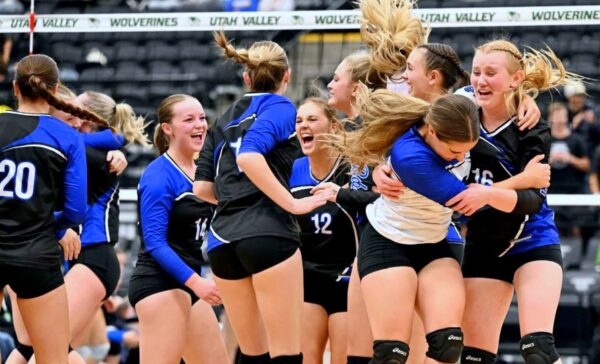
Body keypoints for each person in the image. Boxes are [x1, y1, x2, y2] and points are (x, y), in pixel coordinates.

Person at [335, 90, 522, 364]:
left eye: (467, 151)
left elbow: (491, 89)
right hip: (389, 241)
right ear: (432, 132)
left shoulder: (458, 111)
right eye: (455, 151)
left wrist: (524, 101)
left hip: (434, 243)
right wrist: (526, 179)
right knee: (392, 354)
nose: (461, 159)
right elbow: (468, 201)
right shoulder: (410, 155)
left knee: (447, 345)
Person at [194, 32, 327, 364]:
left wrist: (236, 199)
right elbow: (249, 157)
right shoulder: (281, 107)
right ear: (287, 76)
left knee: (252, 353)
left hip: (223, 241)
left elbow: (202, 189)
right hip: (268, 233)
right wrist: (293, 204)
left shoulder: (223, 118)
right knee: (286, 352)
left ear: (246, 77)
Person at [450, 40, 577, 364]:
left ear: (516, 78)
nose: (480, 80)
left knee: (537, 350)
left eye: (491, 73)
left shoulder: (531, 126)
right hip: (483, 245)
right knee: (474, 356)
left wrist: (487, 193)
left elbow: (532, 200)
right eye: (476, 72)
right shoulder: (459, 114)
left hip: (532, 239)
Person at [5, 85, 134, 364]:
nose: (70, 115)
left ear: (85, 119)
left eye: (75, 110)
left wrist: (116, 140)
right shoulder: (80, 149)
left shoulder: (88, 153)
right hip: (63, 256)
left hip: (93, 256)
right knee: (32, 348)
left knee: (46, 351)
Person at [0, 54, 96, 363]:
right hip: (36, 253)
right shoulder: (66, 135)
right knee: (53, 358)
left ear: (15, 87)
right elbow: (77, 210)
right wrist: (53, 225)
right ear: (54, 92)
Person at [129, 94, 228, 364]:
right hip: (159, 282)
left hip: (188, 282)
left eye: (201, 118)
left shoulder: (203, 171)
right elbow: (154, 242)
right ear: (167, 129)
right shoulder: (159, 174)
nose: (200, 125)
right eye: (189, 119)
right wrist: (197, 282)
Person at [290, 97, 379, 364]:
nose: (304, 125)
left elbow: (382, 204)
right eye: (299, 120)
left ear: (335, 127)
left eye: (312, 119)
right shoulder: (292, 169)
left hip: (347, 277)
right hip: (307, 276)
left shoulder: (355, 168)